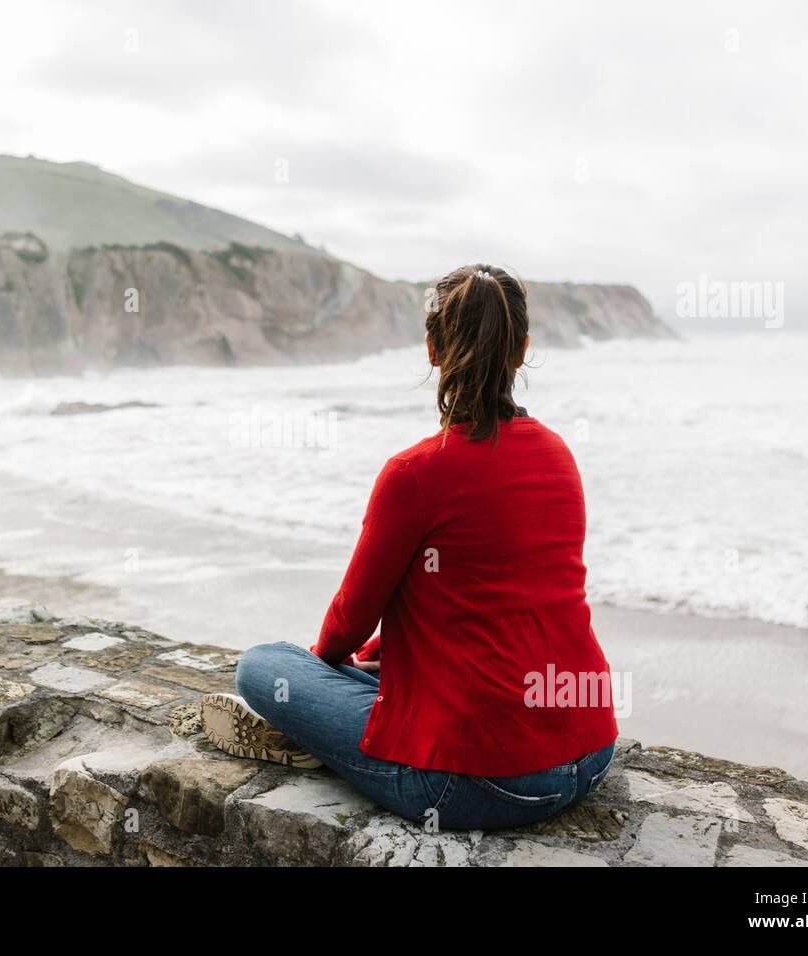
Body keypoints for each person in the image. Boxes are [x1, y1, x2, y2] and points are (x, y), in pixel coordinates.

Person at [201, 264, 618, 830]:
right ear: (522, 350)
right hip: (590, 753)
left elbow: (349, 619)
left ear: (432, 348)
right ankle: (366, 712)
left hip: (482, 782)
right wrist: (380, 658)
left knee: (263, 666)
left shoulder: (415, 473)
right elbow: (506, 600)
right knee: (381, 667)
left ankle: (322, 743)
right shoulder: (558, 455)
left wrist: (319, 680)